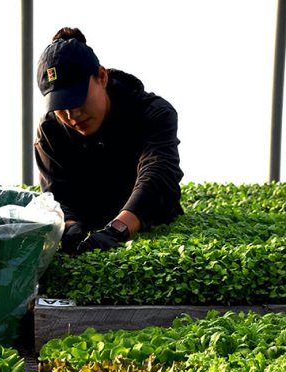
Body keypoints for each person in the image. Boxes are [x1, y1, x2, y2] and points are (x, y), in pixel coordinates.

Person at [35, 27, 184, 255]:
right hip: (89, 228)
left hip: (148, 227)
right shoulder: (50, 130)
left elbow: (158, 177)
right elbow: (55, 195)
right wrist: (70, 226)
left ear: (102, 77)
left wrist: (116, 230)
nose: (72, 115)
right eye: (60, 107)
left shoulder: (153, 113)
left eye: (77, 99)